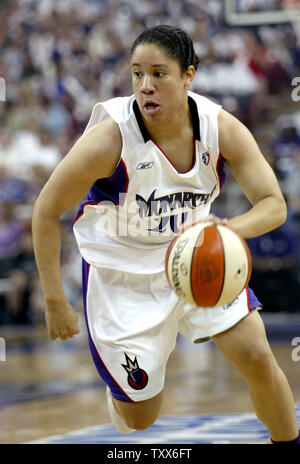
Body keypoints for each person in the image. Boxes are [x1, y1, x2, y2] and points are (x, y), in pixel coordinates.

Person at [32, 25, 299, 444]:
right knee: (141, 420)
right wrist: (53, 299)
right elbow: (46, 210)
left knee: (258, 357)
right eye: (137, 74)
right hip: (124, 277)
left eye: (159, 74)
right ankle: (122, 394)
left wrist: (223, 231)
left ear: (188, 75)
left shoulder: (219, 127)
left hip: (197, 258)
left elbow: (273, 203)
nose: (145, 86)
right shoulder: (111, 138)